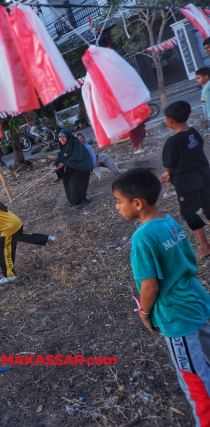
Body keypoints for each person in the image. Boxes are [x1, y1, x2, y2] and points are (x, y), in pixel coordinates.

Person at [112, 168, 210, 426]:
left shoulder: (142, 237)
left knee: (194, 378)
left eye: (118, 202)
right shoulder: (169, 221)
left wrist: (144, 313)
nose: (117, 208)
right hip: (196, 300)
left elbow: (150, 286)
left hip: (176, 314)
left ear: (137, 203)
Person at [159, 101, 210, 259]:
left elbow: (168, 164)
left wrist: (168, 174)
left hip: (186, 182)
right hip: (204, 175)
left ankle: (204, 246)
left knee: (188, 212)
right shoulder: (193, 133)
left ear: (170, 121)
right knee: (208, 207)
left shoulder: (172, 142)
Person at [53, 129, 94, 209]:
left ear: (68, 137)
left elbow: (77, 156)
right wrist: (56, 165)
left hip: (82, 166)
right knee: (66, 179)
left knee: (75, 179)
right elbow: (59, 157)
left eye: (63, 137)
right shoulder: (61, 145)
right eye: (60, 137)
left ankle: (82, 200)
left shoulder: (76, 143)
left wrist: (64, 163)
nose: (61, 139)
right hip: (72, 165)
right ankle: (73, 200)